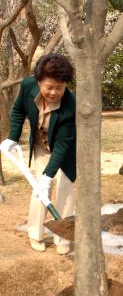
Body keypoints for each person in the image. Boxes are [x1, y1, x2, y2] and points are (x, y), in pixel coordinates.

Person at [0, 53, 76, 254]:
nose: (53, 92)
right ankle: (36, 233)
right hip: (41, 145)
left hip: (65, 151)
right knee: (40, 190)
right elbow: (18, 110)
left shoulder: (70, 105)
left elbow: (61, 146)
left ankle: (63, 238)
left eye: (59, 88)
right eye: (49, 87)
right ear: (38, 81)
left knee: (64, 190)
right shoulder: (27, 86)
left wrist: (49, 175)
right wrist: (13, 137)